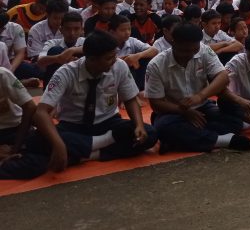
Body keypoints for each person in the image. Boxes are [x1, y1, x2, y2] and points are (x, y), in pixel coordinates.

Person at [7, 31, 158, 179]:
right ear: (91, 59)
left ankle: (83, 155)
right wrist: (59, 144)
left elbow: (130, 99)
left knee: (149, 134)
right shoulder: (65, 73)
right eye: (108, 58)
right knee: (37, 142)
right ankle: (100, 147)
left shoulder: (119, 66)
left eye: (114, 56)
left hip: (108, 123)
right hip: (73, 127)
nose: (114, 61)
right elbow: (41, 113)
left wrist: (138, 124)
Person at [145, 22, 250, 154]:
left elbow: (223, 76)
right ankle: (221, 140)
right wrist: (184, 111)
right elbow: (156, 103)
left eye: (194, 49)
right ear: (173, 43)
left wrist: (200, 96)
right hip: (173, 112)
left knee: (234, 119)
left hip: (203, 107)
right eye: (185, 50)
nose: (190, 54)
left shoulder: (203, 50)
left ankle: (190, 138)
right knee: (163, 128)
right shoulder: (156, 65)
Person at [109, 15, 158, 90]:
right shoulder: (105, 43)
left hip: (131, 76)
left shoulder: (131, 40)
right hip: (111, 76)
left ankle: (140, 89)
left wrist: (136, 56)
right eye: (123, 30)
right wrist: (124, 60)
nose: (127, 32)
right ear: (112, 32)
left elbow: (154, 50)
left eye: (129, 29)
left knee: (146, 59)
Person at [36, 12, 86, 86]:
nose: (72, 33)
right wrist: (59, 58)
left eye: (76, 29)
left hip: (80, 84)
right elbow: (40, 62)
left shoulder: (85, 42)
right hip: (58, 83)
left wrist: (72, 50)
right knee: (55, 50)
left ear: (82, 30)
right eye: (68, 29)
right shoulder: (52, 43)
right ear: (61, 30)